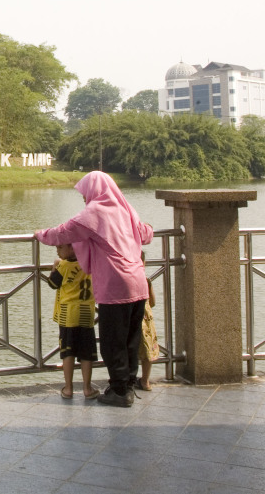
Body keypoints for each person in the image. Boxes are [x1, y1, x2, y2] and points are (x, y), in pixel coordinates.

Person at [34, 171, 153, 407]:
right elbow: (145, 233)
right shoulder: (126, 209)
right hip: (138, 283)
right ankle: (127, 384)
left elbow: (63, 232)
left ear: (95, 191)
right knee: (131, 339)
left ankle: (119, 391)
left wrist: (40, 234)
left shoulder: (94, 213)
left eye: (85, 193)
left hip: (115, 285)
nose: (84, 199)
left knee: (112, 341)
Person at [47, 243, 100, 400]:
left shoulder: (64, 265)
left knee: (68, 351)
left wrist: (54, 266)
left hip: (67, 314)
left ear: (71, 248)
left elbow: (52, 284)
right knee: (86, 353)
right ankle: (87, 388)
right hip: (86, 313)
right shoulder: (90, 263)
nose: (57, 250)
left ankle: (68, 388)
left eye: (60, 248)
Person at [139, 253, 159, 391]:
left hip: (134, 319)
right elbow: (152, 302)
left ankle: (129, 378)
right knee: (148, 350)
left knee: (132, 349)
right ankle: (145, 380)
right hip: (146, 320)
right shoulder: (146, 280)